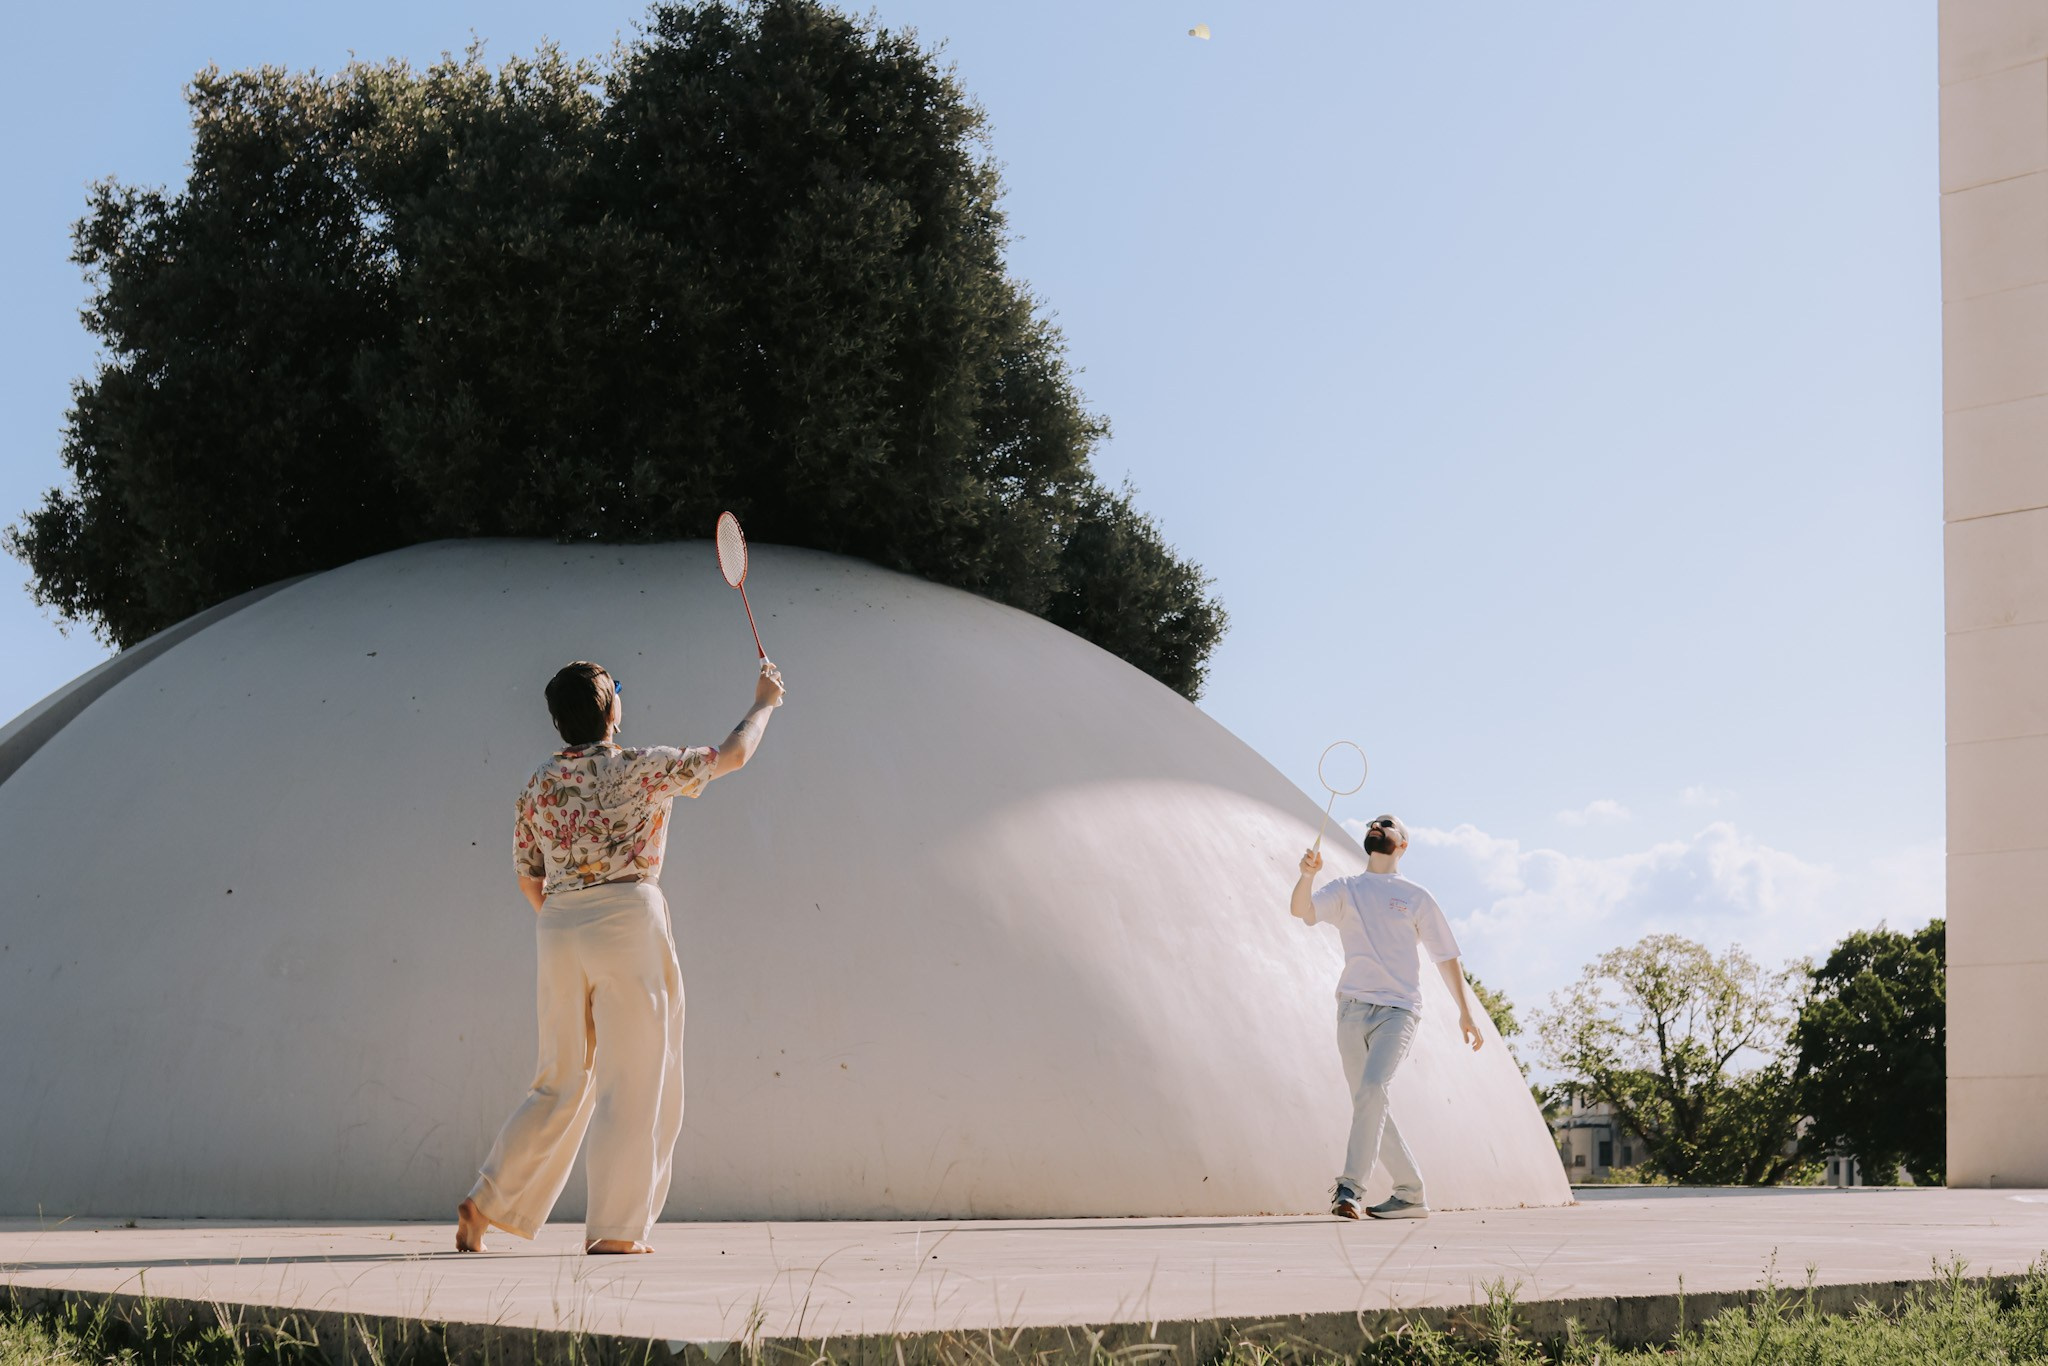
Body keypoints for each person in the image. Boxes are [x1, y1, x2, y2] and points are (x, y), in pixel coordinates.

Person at [456, 656, 785, 1254]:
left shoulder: (538, 783)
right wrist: (764, 701)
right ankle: (614, 1230)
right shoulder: (643, 768)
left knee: (558, 1079)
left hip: (557, 926)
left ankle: (487, 1202)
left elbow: (528, 876)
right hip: (629, 918)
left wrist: (570, 926)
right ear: (612, 708)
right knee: (633, 1077)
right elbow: (733, 755)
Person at [1290, 813, 1482, 1221]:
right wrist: (1307, 875)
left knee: (1373, 1088)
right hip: (1351, 1009)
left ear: (1403, 845)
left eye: (1388, 824)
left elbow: (1446, 958)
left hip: (1398, 1010)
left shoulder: (1415, 897)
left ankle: (1349, 1188)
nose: (1377, 826)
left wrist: (1466, 1013)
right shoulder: (1346, 888)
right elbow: (1301, 910)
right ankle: (1411, 1194)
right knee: (1370, 1101)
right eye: (1373, 824)